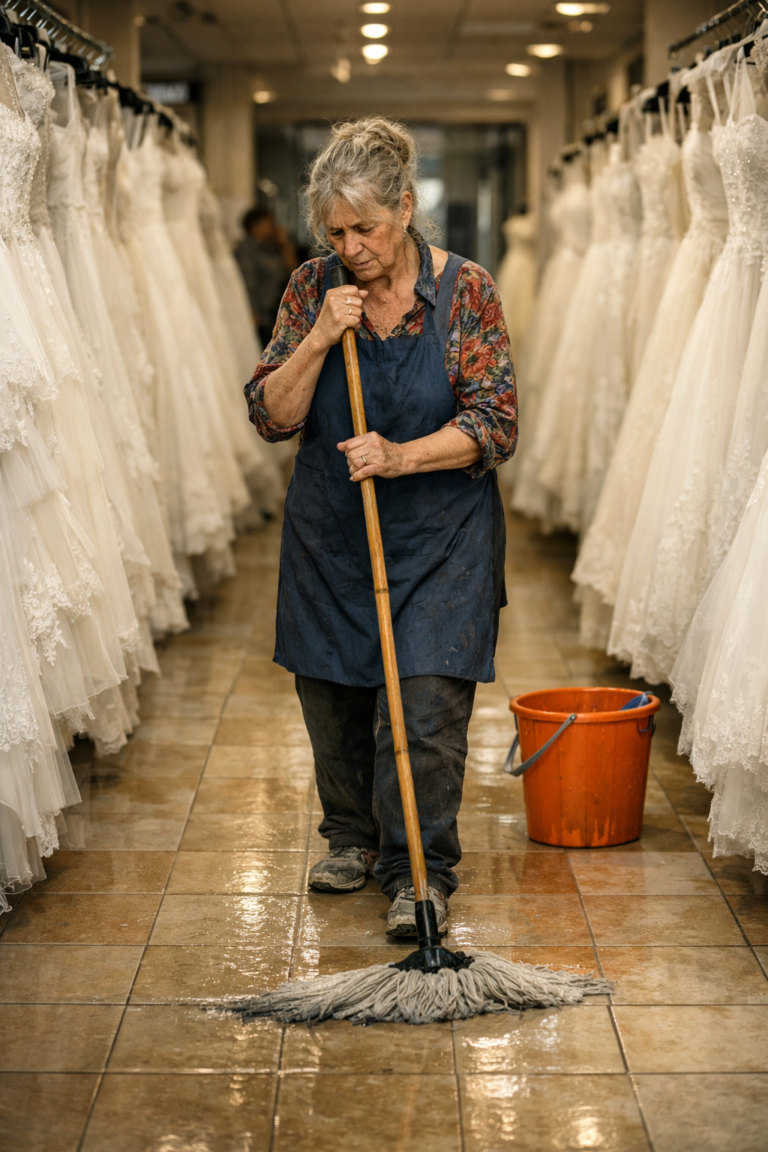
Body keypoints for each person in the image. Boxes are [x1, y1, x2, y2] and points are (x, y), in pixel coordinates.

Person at [245, 118, 517, 937]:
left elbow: (495, 424)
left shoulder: (466, 290)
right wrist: (323, 335)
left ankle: (417, 867)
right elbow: (271, 415)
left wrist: (400, 458)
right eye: (335, 231)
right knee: (333, 692)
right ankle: (351, 838)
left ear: (406, 208)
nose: (350, 245)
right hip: (332, 530)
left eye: (365, 227)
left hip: (443, 535)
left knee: (426, 705)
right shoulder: (310, 289)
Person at [235, 206, 297, 348]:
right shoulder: (246, 250)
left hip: (277, 313)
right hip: (261, 315)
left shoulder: (271, 248)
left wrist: (285, 245)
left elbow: (293, 272)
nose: (273, 227)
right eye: (268, 223)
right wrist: (252, 310)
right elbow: (247, 282)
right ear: (254, 226)